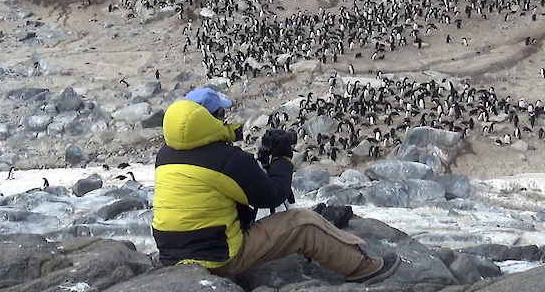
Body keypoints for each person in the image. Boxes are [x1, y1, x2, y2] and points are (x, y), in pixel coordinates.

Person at [152, 87, 401, 284]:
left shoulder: (164, 155)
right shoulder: (225, 159)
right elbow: (272, 195)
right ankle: (363, 268)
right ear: (206, 121)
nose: (224, 120)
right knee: (304, 223)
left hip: (172, 256)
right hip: (218, 258)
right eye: (220, 115)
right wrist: (282, 159)